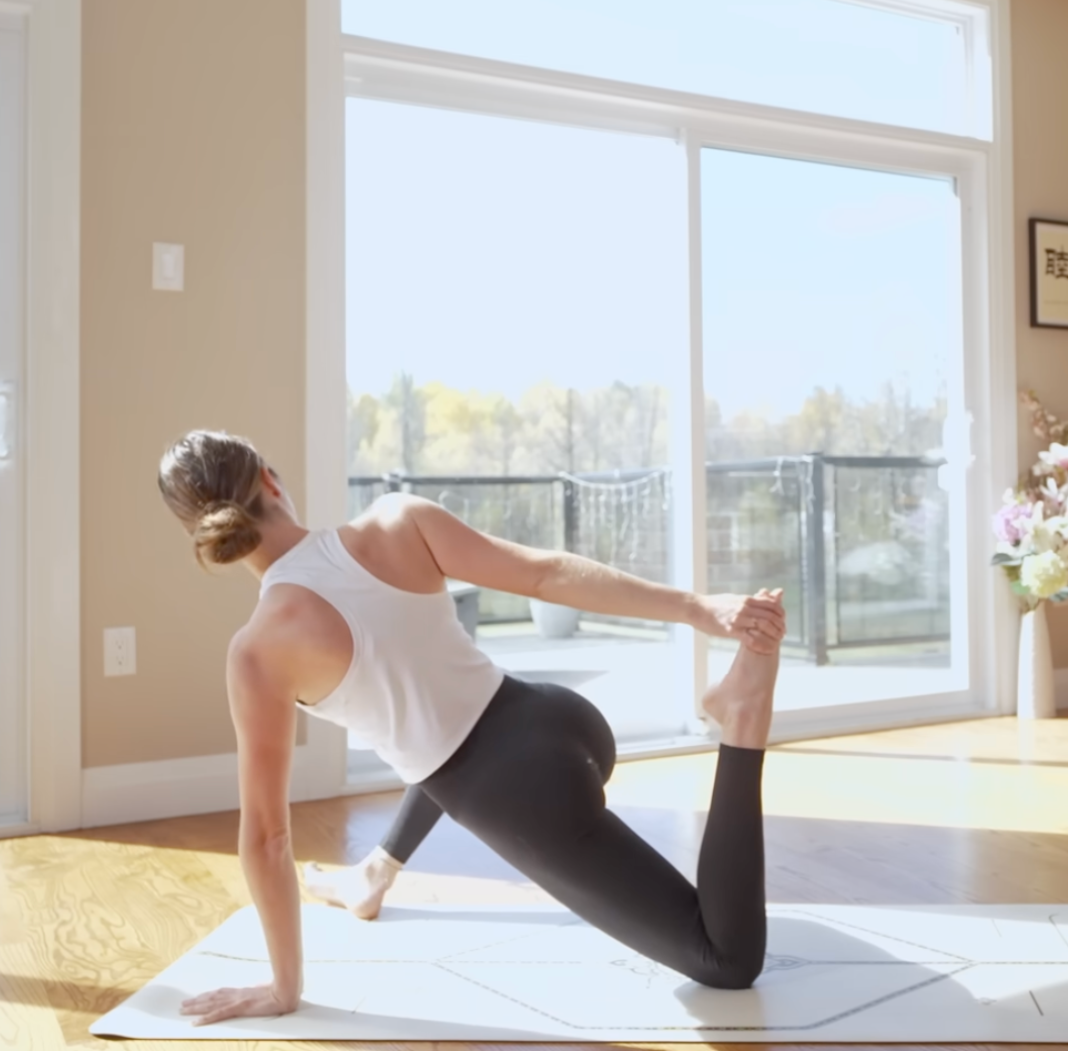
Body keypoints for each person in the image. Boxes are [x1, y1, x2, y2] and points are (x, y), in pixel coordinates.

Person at [154, 430, 787, 1026]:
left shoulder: (258, 651)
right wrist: (698, 609)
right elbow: (547, 574)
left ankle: (740, 716)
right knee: (427, 724)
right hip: (558, 718)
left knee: (726, 960)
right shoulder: (396, 519)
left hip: (525, 799)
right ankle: (374, 874)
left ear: (201, 534)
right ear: (270, 480)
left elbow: (266, 838)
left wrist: (282, 988)